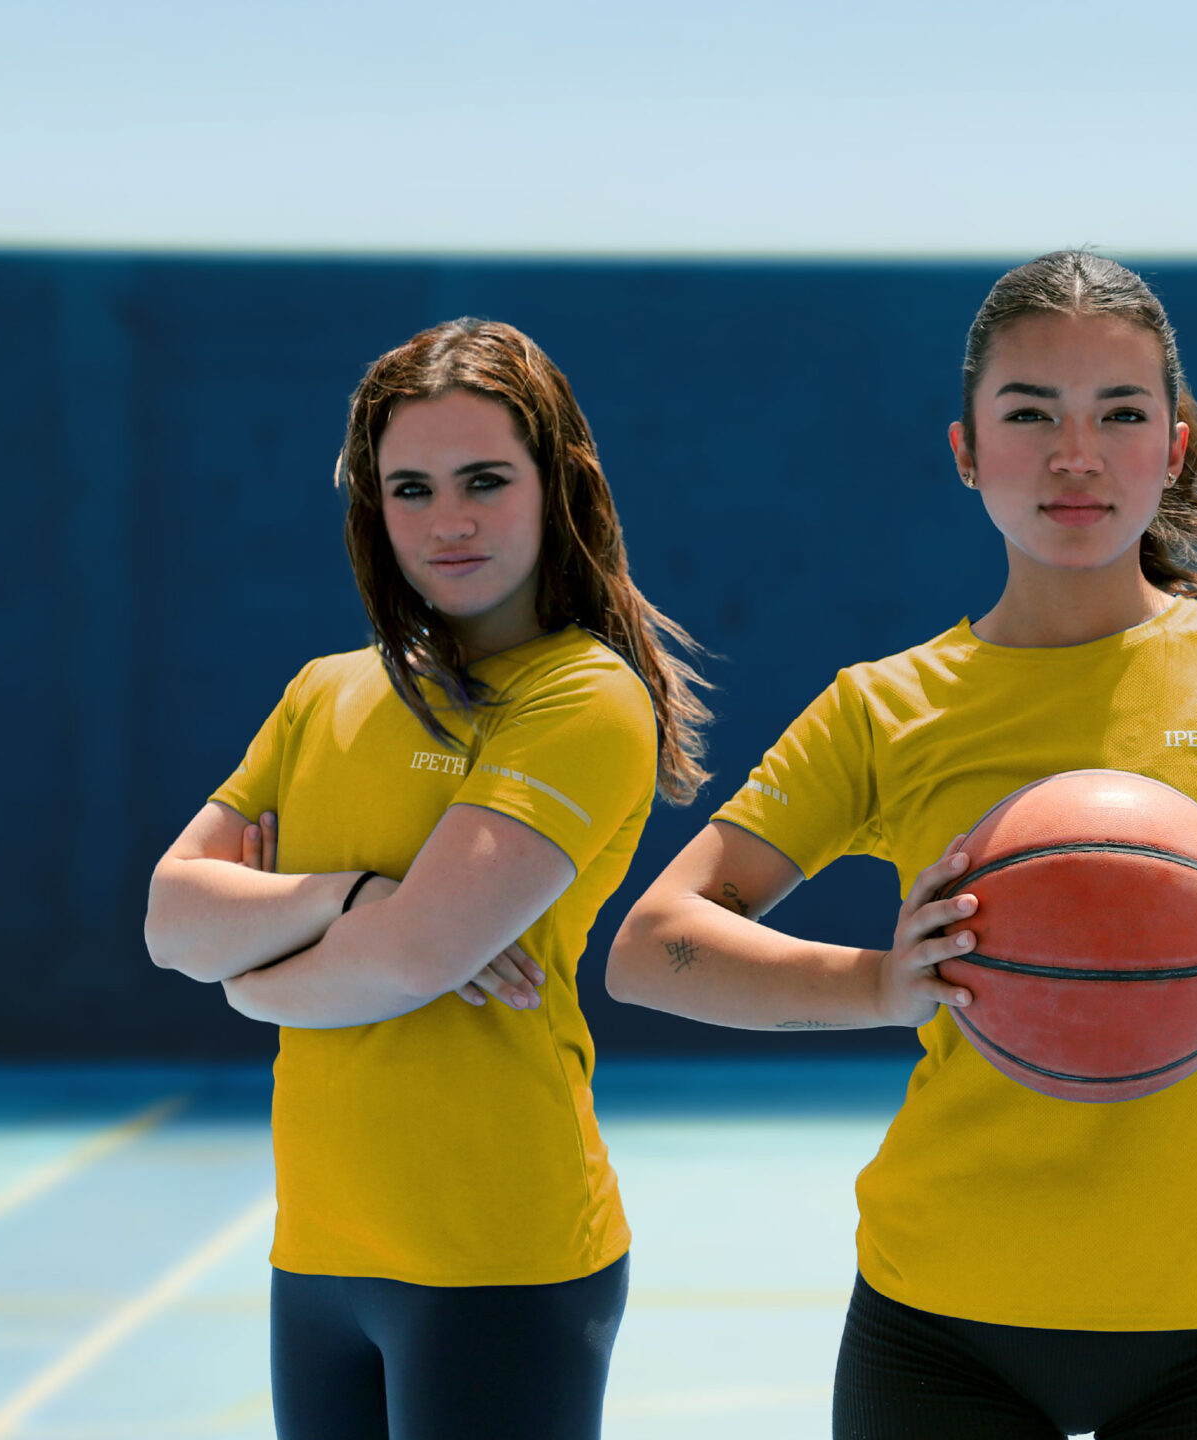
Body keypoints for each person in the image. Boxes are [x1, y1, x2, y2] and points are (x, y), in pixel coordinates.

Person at [607, 249, 1197, 1440]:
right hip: (938, 1321)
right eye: (1028, 414)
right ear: (965, 450)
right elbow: (652, 948)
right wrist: (879, 986)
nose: (1075, 454)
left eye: (1119, 413)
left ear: (1173, 446)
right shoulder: (884, 709)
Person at [141, 318, 710, 1440]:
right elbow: (170, 918)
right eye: (411, 488)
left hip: (496, 1254)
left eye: (484, 480)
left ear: (558, 486)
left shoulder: (582, 696)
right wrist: (345, 900)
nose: (448, 521)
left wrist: (248, 975)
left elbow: (415, 959)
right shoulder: (324, 691)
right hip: (317, 1251)